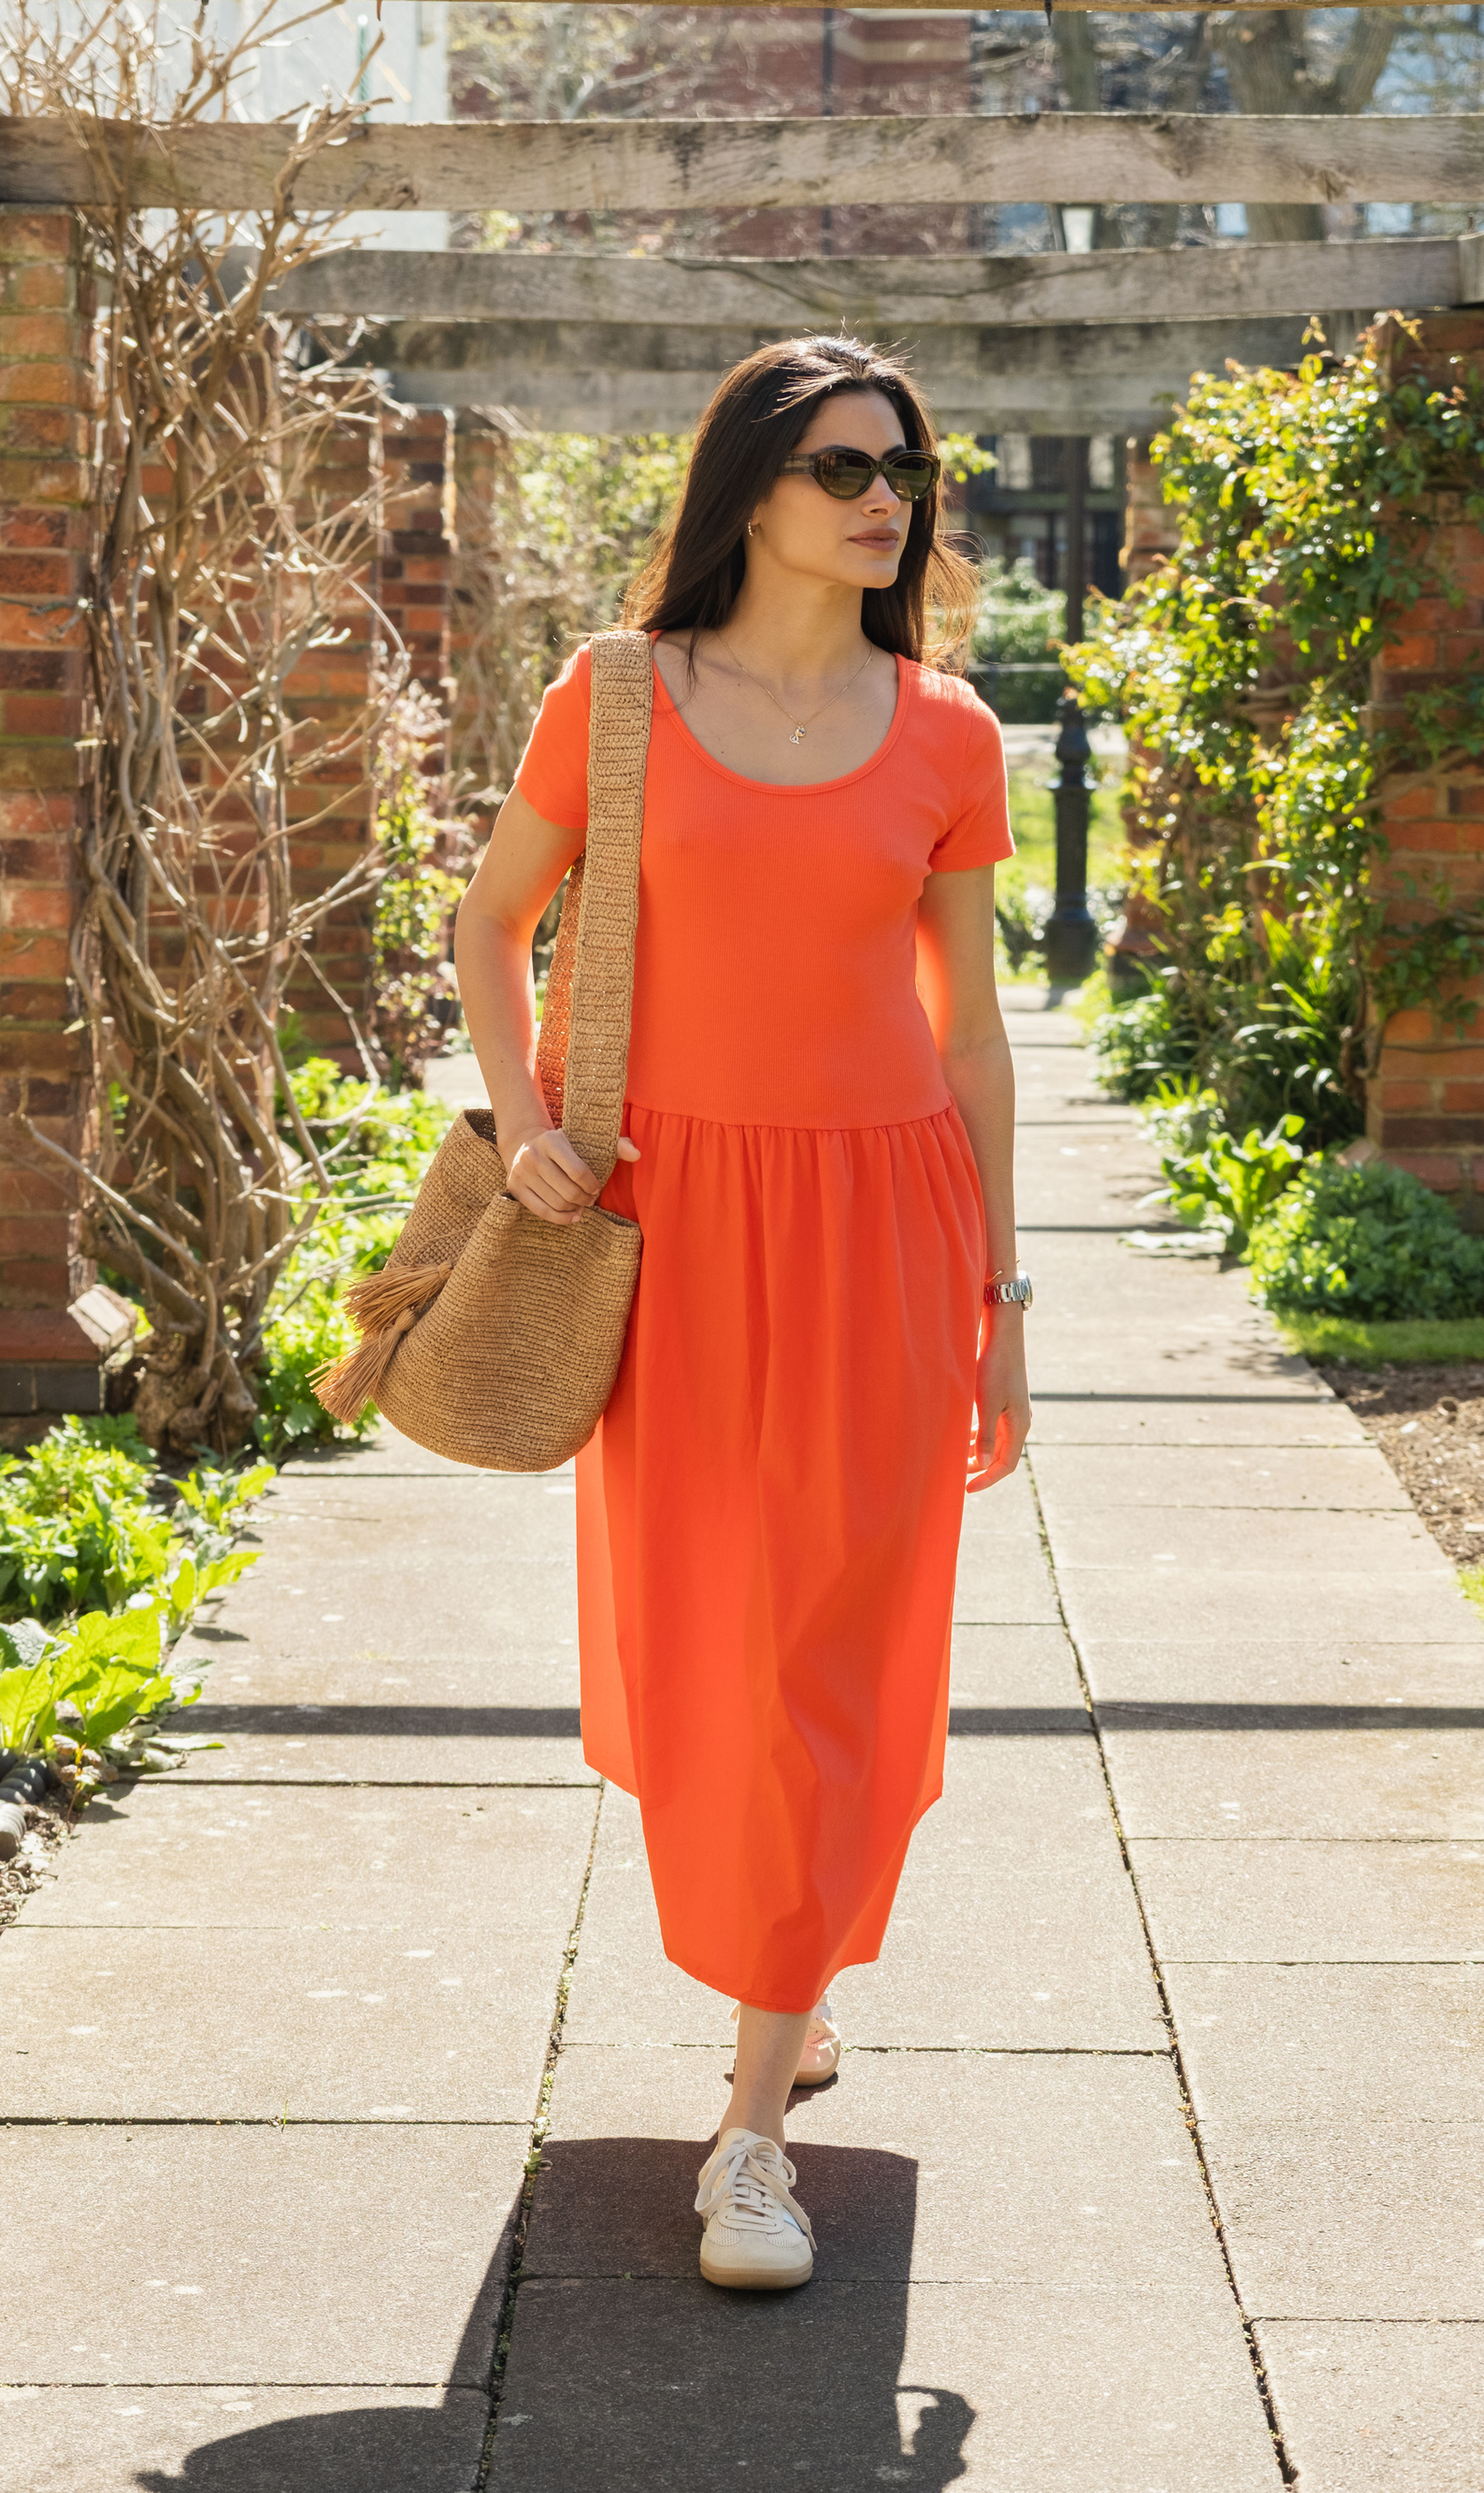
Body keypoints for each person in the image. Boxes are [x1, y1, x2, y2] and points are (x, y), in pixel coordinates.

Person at [454, 334, 1032, 2292]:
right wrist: (529, 1126)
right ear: (753, 492)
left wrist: (1003, 1298)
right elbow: (490, 921)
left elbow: (973, 1039)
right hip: (681, 1225)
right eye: (847, 465)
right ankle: (790, 1955)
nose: (887, 500)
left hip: (886, 1221)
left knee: (846, 1637)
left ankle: (756, 2125)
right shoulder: (616, 701)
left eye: (908, 469)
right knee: (714, 1653)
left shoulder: (949, 734)